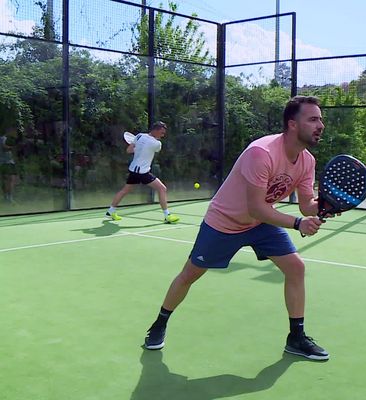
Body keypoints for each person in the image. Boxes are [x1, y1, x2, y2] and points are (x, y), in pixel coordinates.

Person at [143, 96, 330, 361]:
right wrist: (299, 224)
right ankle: (159, 323)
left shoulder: (307, 161)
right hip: (224, 223)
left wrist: (326, 205)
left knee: (296, 268)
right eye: (313, 119)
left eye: (320, 119)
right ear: (292, 124)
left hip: (261, 223)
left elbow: (305, 206)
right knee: (189, 275)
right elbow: (257, 207)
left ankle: (296, 338)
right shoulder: (261, 153)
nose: (320, 124)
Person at [105, 121, 179, 223]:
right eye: (161, 133)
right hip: (142, 173)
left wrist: (139, 148)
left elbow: (129, 150)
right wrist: (142, 148)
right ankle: (167, 215)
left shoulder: (139, 136)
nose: (163, 135)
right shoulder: (157, 144)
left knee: (124, 191)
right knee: (162, 188)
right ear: (155, 130)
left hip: (133, 170)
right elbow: (152, 149)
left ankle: (111, 211)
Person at [0, 127, 18, 203]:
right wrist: (13, 148)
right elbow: (4, 148)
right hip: (6, 162)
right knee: (10, 179)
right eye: (13, 130)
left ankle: (7, 197)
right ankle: (9, 198)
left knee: (7, 180)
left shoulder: (4, 138)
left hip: (6, 162)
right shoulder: (3, 138)